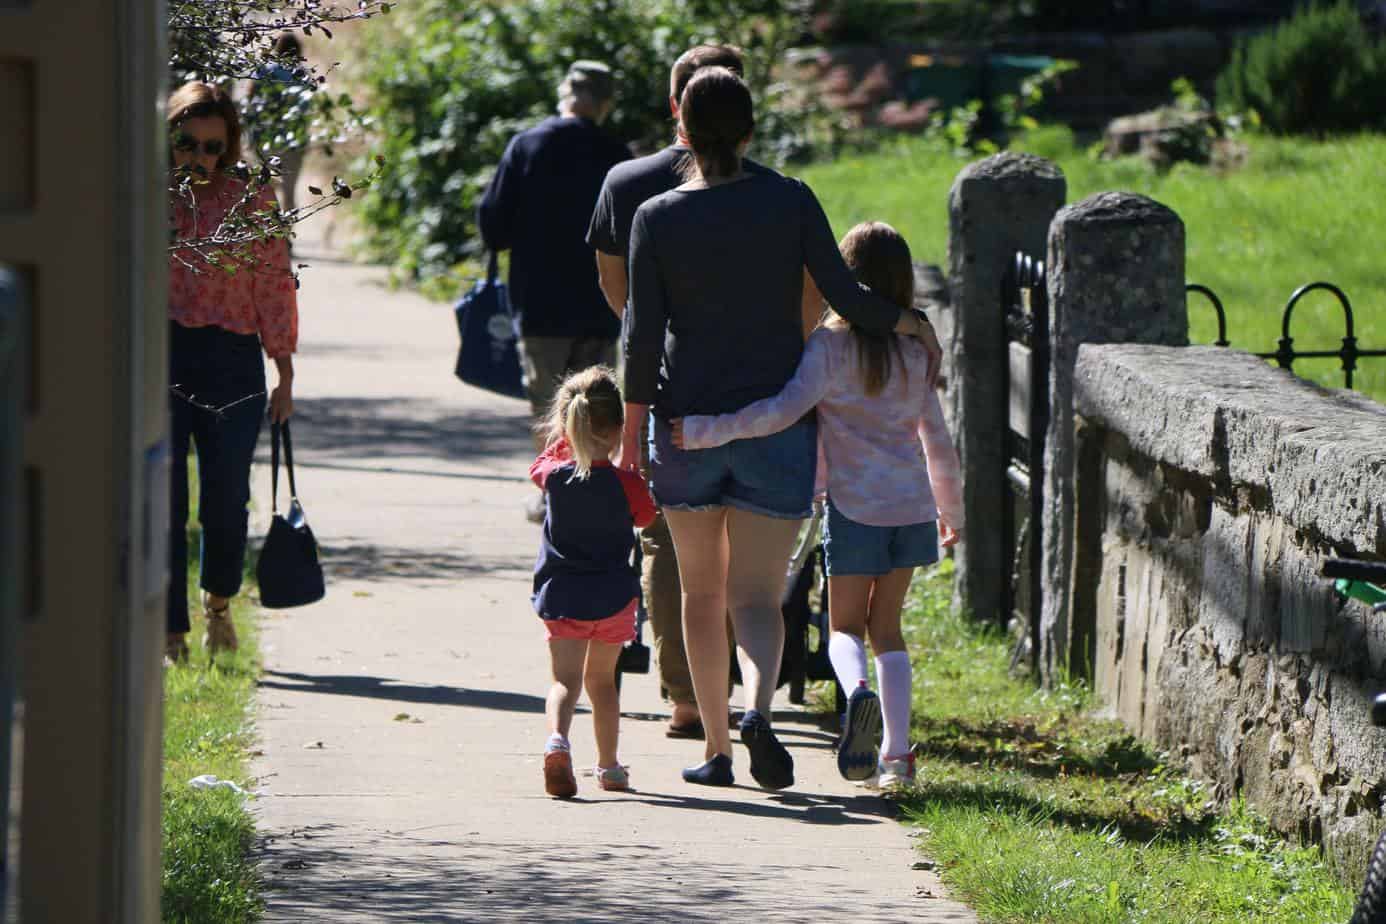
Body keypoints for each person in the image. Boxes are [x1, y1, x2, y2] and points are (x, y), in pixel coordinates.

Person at [619, 68, 941, 789]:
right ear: (752, 131)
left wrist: (633, 433)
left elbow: (641, 338)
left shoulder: (658, 217)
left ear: (682, 131)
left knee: (701, 594)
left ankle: (718, 747)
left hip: (684, 427)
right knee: (757, 598)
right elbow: (844, 291)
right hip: (775, 431)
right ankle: (760, 706)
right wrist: (910, 321)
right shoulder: (790, 200)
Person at [673, 222, 963, 789]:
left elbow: (780, 412)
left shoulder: (828, 348)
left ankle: (856, 694)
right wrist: (950, 512)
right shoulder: (914, 349)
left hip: (854, 509)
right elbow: (938, 439)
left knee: (844, 629)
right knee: (891, 630)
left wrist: (708, 431)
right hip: (910, 507)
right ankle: (898, 757)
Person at [586, 43, 764, 741]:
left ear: (674, 106)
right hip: (752, 381)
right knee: (742, 541)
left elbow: (611, 281)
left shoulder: (626, 181)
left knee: (667, 539)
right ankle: (744, 691)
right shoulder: (770, 188)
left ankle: (687, 695)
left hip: (659, 380)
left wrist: (646, 339)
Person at [166, 81, 298, 663]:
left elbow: (273, 281)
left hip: (234, 359)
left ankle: (217, 605)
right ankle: (171, 631)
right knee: (163, 497)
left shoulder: (251, 197)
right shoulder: (148, 195)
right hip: (165, 353)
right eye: (187, 143)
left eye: (213, 147)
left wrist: (284, 367)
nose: (200, 157)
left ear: (231, 146)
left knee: (224, 498)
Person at [478, 61, 631, 522]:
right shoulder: (616, 154)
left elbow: (493, 226)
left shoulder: (527, 146)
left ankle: (552, 496)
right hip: (602, 302)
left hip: (541, 303)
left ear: (565, 95)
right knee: (597, 404)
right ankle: (593, 494)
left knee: (550, 403)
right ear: (605, 104)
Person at [529, 367, 656, 798]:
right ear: (620, 428)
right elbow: (647, 518)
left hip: (563, 596)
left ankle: (557, 742)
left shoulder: (555, 476)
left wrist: (568, 440)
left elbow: (540, 465)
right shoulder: (627, 485)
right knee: (603, 685)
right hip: (613, 599)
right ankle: (610, 768)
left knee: (565, 683)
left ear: (569, 424)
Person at [248, 33, 310, 218]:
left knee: (266, 188)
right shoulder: (303, 75)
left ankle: (269, 236)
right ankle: (287, 238)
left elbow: (250, 101)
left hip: (265, 138)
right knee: (289, 191)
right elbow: (306, 109)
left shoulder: (264, 70)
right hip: (294, 141)